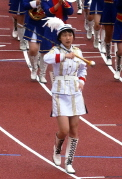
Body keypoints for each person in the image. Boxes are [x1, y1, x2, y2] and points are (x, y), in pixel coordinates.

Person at [44, 17, 87, 174]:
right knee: (64, 130)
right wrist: (63, 56)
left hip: (75, 92)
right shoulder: (56, 51)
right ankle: (57, 148)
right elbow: (46, 58)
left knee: (74, 130)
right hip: (60, 92)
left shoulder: (77, 51)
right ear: (60, 38)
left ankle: (69, 162)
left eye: (70, 35)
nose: (68, 38)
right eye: (65, 35)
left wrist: (82, 81)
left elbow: (83, 69)